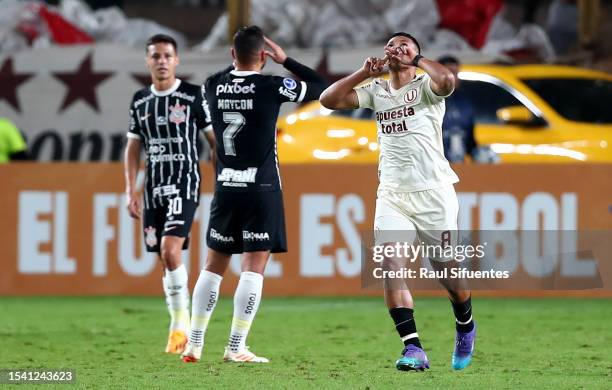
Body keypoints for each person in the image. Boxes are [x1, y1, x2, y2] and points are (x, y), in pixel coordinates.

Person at [319, 32, 476, 371]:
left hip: (434, 192)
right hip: (392, 193)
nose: (396, 49)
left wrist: (415, 60)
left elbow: (447, 80)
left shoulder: (426, 88)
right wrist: (363, 73)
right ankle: (413, 349)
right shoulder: (376, 91)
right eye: (391, 45)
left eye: (405, 45)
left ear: (418, 55)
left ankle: (465, 324)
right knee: (391, 265)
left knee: (446, 269)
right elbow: (328, 100)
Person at [181, 25, 327, 364]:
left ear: (233, 54)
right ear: (264, 55)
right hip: (262, 187)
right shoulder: (272, 85)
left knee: (213, 265)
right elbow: (322, 89)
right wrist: (286, 60)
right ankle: (235, 346)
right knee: (253, 267)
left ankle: (195, 343)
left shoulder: (213, 84)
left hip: (226, 186)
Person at [123, 34, 215, 355]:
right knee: (164, 258)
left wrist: (225, 179)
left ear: (176, 61)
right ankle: (179, 322)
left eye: (167, 56)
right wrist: (129, 189)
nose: (161, 61)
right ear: (147, 61)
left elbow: (213, 141)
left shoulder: (192, 96)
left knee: (170, 249)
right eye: (155, 56)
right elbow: (133, 148)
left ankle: (179, 325)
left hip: (184, 183)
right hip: (153, 190)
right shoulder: (139, 100)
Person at [438, 55, 499, 163]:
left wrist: (478, 153)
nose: (454, 78)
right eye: (450, 73)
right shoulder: (425, 102)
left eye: (456, 73)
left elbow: (469, 140)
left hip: (458, 164)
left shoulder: (464, 103)